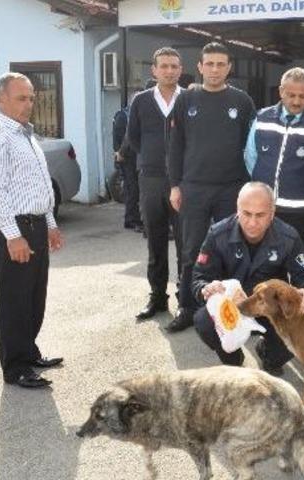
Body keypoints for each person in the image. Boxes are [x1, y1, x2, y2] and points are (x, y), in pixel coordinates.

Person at [0, 72, 65, 389]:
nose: (29, 104)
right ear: (0, 99)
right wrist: (13, 236)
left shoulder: (26, 135)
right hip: (11, 229)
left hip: (35, 224)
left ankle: (29, 352)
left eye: (31, 98)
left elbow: (38, 186)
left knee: (34, 296)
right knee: (14, 300)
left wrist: (50, 223)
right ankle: (15, 368)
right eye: (21, 98)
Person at [168, 42, 257, 332]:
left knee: (233, 250)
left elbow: (251, 148)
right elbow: (175, 146)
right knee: (191, 250)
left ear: (229, 67)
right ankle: (187, 308)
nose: (215, 69)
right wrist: (175, 186)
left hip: (231, 188)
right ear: (200, 66)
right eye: (210, 64)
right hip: (193, 187)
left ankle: (237, 311)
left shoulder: (242, 101)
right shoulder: (185, 101)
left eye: (221, 64)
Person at [192, 182, 304, 376]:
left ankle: (268, 355)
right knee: (203, 321)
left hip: (270, 309)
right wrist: (206, 288)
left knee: (303, 319)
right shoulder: (218, 234)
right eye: (246, 213)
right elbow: (199, 278)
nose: (252, 222)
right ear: (237, 209)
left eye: (260, 215)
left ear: (272, 212)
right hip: (231, 308)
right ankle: (234, 361)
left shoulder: (288, 236)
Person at [244, 67, 304, 265]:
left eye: (302, 96)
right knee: (265, 264)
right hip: (263, 209)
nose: (296, 101)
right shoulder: (261, 118)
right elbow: (250, 158)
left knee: (302, 263)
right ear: (281, 91)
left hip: (300, 211)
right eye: (291, 95)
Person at [128, 48, 184, 321]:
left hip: (183, 181)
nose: (169, 71)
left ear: (181, 69)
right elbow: (133, 138)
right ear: (154, 70)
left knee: (187, 243)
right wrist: (153, 160)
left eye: (174, 66)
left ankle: (186, 299)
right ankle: (157, 298)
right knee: (156, 242)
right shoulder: (140, 101)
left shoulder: (190, 98)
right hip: (150, 179)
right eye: (164, 66)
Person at [112, 86, 145, 234]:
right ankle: (132, 220)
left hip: (136, 157)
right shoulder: (123, 116)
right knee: (132, 189)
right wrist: (120, 155)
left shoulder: (139, 114)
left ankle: (134, 218)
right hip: (126, 158)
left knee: (137, 190)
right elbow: (119, 140)